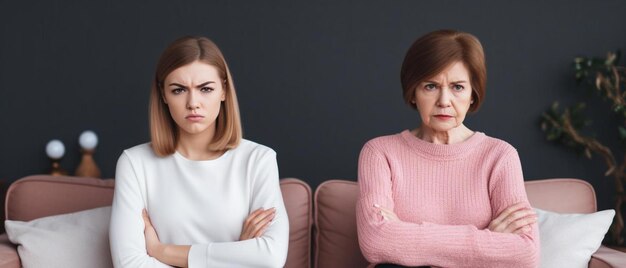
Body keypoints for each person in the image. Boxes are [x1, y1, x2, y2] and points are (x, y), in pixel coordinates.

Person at [356, 30, 540, 268]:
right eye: (431, 86)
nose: (444, 101)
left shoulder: (500, 156)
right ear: (413, 93)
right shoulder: (379, 153)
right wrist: (488, 238)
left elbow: (526, 253)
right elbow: (376, 241)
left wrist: (404, 235)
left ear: (473, 94)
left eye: (457, 87)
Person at [109, 36, 289, 267]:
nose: (193, 102)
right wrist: (235, 256)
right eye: (179, 90)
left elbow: (270, 258)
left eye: (205, 89)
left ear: (223, 91)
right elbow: (129, 264)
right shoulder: (135, 163)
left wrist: (160, 250)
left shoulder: (258, 159)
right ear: (163, 95)